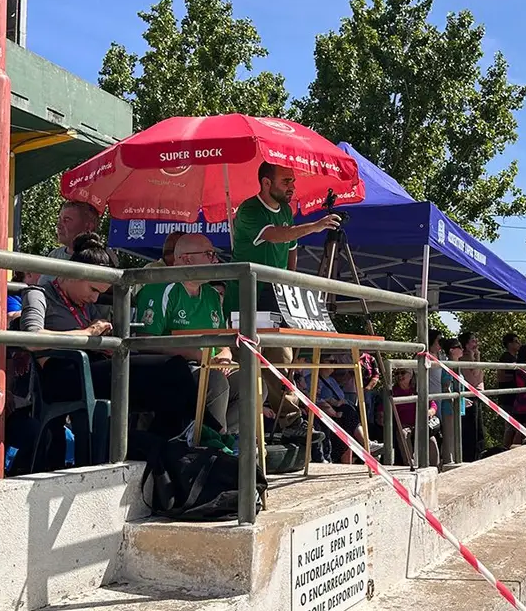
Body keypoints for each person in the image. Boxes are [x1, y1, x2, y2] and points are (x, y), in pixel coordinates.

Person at [21, 234, 231, 447]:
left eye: (99, 293)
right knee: (172, 367)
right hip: (64, 375)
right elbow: (32, 338)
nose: (95, 298)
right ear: (73, 275)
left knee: (171, 383)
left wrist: (104, 339)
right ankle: (207, 433)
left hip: (94, 367)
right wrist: (88, 333)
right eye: (93, 290)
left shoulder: (84, 304)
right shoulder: (38, 294)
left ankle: (168, 445)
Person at [230, 161, 340, 438]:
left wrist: (290, 283)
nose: (292, 186)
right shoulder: (249, 209)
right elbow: (279, 235)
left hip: (274, 296)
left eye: (292, 181)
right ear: (266, 183)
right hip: (246, 298)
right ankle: (238, 430)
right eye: (286, 181)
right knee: (248, 364)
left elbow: (291, 247)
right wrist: (314, 227)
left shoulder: (288, 210)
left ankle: (290, 423)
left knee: (282, 359)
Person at [131, 234, 251, 437]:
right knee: (215, 382)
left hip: (209, 365)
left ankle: (218, 438)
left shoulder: (213, 295)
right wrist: (194, 354)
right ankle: (207, 449)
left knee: (252, 383)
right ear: (187, 259)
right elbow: (145, 340)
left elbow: (222, 340)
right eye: (210, 254)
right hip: (174, 368)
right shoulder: (160, 288)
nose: (216, 261)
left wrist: (225, 354)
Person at [459, 331, 485, 461]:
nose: (476, 344)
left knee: (479, 429)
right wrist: (477, 359)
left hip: (478, 395)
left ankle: (479, 454)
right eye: (473, 341)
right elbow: (474, 379)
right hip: (469, 396)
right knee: (471, 430)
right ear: (466, 344)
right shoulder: (463, 358)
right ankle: (470, 457)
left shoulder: (474, 357)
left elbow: (480, 377)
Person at [439, 337, 465, 463]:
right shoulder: (447, 366)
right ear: (451, 350)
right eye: (459, 347)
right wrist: (454, 400)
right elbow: (446, 386)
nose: (462, 350)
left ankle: (456, 459)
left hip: (458, 405)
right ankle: (448, 461)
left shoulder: (457, 365)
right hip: (450, 406)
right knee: (449, 436)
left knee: (456, 435)